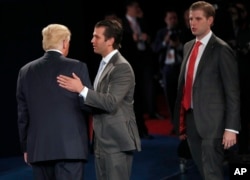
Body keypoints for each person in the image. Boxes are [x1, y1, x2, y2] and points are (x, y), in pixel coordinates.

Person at [57, 19, 141, 180]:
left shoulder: (121, 67)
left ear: (110, 41)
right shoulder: (104, 63)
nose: (92, 40)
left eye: (97, 37)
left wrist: (81, 89)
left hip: (116, 142)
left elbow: (110, 102)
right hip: (102, 142)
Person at [173, 1, 241, 180]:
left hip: (213, 122)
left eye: (198, 19)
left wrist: (231, 128)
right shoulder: (188, 46)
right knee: (204, 171)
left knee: (212, 172)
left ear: (210, 20)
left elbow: (232, 92)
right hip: (191, 119)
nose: (192, 23)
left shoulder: (221, 49)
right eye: (190, 19)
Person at [16, 24, 92, 180]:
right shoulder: (77, 67)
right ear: (65, 43)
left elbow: (23, 114)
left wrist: (26, 147)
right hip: (71, 149)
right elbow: (88, 106)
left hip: (39, 149)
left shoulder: (25, 71)